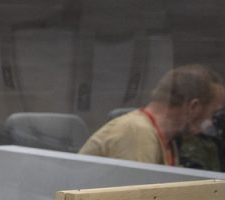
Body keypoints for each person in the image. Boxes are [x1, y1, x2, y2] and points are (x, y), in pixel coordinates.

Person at [79, 64, 225, 165]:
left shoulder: (168, 141)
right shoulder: (137, 132)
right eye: (213, 113)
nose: (211, 122)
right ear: (194, 107)